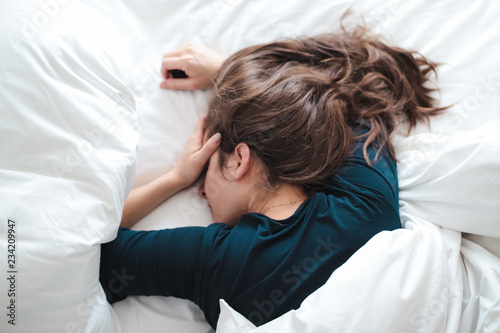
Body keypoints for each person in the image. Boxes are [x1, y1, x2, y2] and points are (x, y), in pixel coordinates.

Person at [100, 26, 445, 329]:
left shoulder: (214, 260)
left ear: (239, 160)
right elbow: (350, 94)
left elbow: (92, 249)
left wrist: (174, 178)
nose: (201, 191)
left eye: (204, 172)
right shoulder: (364, 203)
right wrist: (229, 70)